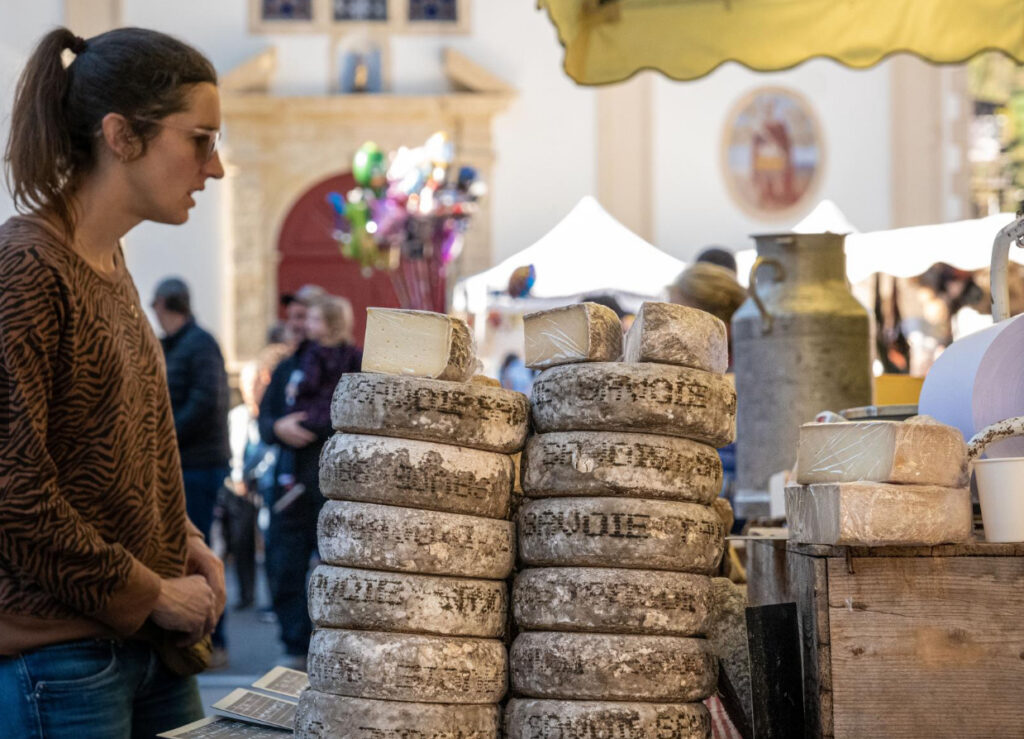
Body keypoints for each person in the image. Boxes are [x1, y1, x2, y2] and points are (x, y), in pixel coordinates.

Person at [0, 26, 226, 736]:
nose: (214, 167)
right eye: (200, 139)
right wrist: (152, 589)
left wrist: (181, 534)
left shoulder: (111, 262)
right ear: (121, 135)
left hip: (144, 644)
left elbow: (121, 446)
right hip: (63, 655)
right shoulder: (27, 267)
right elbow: (14, 492)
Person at [259, 287, 360, 667]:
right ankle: (295, 646)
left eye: (308, 317)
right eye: (296, 318)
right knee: (285, 565)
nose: (300, 324)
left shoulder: (351, 360)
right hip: (291, 481)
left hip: (336, 483)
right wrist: (278, 427)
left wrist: (319, 428)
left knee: (340, 565)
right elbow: (266, 419)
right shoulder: (288, 366)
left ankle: (337, 647)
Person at [153, 277, 232, 667]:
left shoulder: (200, 344)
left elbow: (205, 403)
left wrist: (162, 436)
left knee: (199, 552)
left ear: (164, 304)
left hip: (199, 464)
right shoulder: (171, 346)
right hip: (181, 462)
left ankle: (213, 640)